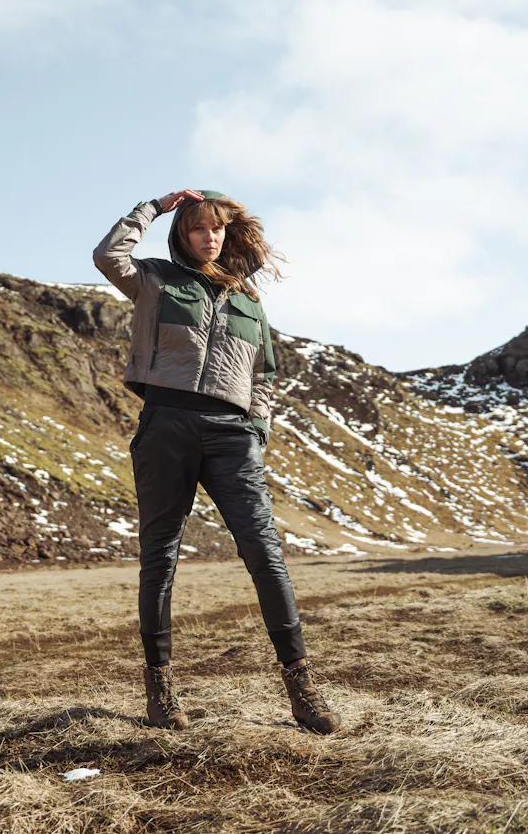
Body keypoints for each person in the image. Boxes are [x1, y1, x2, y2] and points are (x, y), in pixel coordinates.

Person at [93, 189, 342, 734]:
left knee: (265, 551)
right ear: (183, 234)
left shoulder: (249, 299)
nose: (210, 237)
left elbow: (264, 374)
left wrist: (256, 429)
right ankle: (160, 692)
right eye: (199, 228)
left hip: (232, 435)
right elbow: (108, 255)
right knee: (160, 558)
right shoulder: (155, 279)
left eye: (218, 229)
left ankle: (301, 689)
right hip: (166, 424)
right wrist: (153, 207)